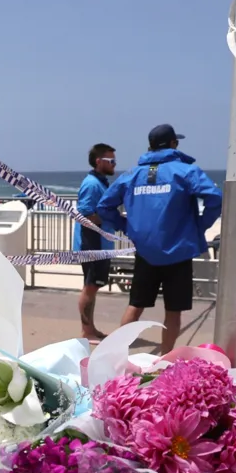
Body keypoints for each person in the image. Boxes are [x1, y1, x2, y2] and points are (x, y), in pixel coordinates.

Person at [96, 124, 222, 354]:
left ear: (150, 147)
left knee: (135, 305)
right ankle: (165, 357)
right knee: (173, 311)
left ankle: (112, 355)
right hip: (178, 252)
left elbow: (105, 206)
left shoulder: (132, 175)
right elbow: (215, 198)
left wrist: (128, 228)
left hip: (145, 252)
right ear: (173, 144)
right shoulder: (186, 171)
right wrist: (198, 226)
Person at [74, 143, 117, 340]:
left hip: (100, 243)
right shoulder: (92, 184)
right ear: (99, 161)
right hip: (93, 244)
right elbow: (85, 213)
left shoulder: (100, 182)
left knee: (93, 287)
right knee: (90, 287)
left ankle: (90, 328)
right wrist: (111, 218)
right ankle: (87, 330)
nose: (114, 164)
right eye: (111, 161)